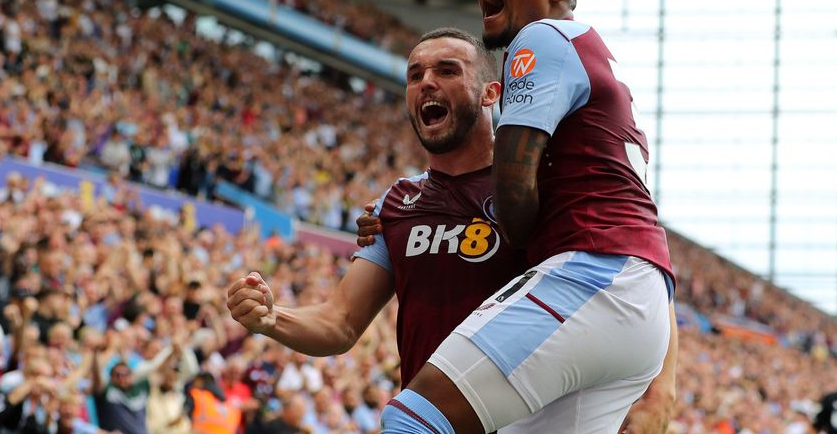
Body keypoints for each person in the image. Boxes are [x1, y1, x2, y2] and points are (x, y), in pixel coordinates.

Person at [229, 28, 677, 432]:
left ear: (490, 93)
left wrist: (662, 388)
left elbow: (631, 260)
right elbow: (340, 322)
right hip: (435, 421)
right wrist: (273, 319)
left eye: (447, 70)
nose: (426, 82)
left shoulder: (540, 183)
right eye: (414, 74)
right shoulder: (396, 205)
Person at [371, 0, 676, 433]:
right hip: (633, 295)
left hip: (595, 276)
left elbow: (511, 192)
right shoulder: (594, 57)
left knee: (413, 416)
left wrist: (451, 217)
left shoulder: (543, 38)